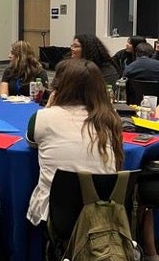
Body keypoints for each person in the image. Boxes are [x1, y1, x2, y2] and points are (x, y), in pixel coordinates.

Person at [26, 58, 123, 226]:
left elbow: (31, 141)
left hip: (57, 214)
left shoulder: (43, 117)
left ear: (58, 86)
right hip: (103, 214)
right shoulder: (111, 119)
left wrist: (49, 108)